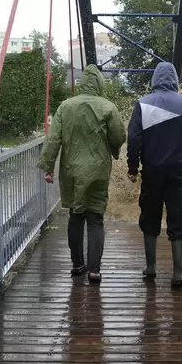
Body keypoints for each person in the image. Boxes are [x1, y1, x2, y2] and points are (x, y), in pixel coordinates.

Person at [38, 64, 126, 283]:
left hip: (72, 172)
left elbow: (53, 139)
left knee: (76, 216)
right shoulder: (108, 107)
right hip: (98, 171)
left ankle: (78, 264)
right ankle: (94, 269)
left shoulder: (65, 107)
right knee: (95, 218)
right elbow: (118, 136)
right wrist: (112, 150)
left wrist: (48, 166)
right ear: (99, 84)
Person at [126, 61, 182, 289]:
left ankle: (151, 267)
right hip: (178, 171)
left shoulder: (142, 104)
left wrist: (132, 168)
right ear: (175, 80)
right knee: (177, 218)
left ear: (154, 80)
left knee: (150, 216)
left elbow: (134, 140)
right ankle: (177, 273)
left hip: (151, 170)